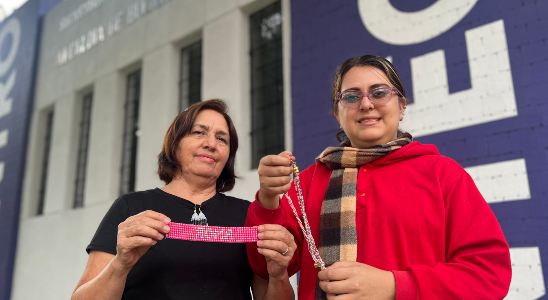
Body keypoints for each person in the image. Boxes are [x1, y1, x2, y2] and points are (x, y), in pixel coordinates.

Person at [246, 55, 512, 299]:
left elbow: (489, 275)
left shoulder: (443, 175)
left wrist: (393, 285)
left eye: (380, 93)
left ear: (402, 105)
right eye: (351, 96)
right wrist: (268, 199)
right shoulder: (309, 181)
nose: (365, 103)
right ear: (338, 114)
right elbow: (264, 266)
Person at [72, 99, 295, 300]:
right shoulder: (131, 208)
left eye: (222, 139)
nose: (211, 144)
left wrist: (279, 275)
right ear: (175, 143)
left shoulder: (248, 215)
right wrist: (120, 265)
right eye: (199, 132)